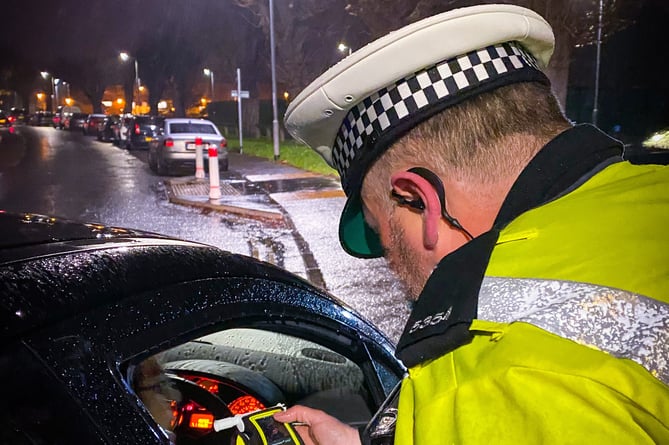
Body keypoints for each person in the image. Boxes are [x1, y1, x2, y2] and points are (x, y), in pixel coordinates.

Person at [274, 3, 669, 444]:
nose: (389, 264)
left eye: (381, 234)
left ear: (421, 200)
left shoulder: (488, 375)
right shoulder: (652, 191)